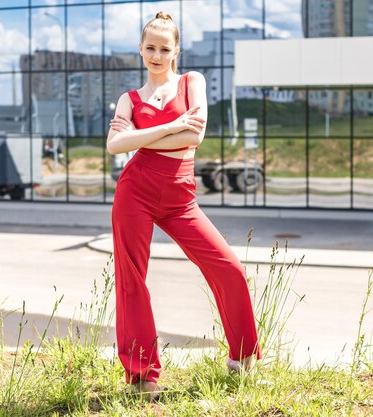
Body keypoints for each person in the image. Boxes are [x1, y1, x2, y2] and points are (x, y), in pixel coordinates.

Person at [106, 11, 261, 398]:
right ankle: (144, 376)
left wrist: (140, 136)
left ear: (176, 51)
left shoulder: (192, 83)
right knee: (131, 281)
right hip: (135, 192)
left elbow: (194, 138)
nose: (157, 55)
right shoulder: (129, 98)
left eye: (165, 48)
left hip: (181, 197)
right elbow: (113, 146)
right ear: (141, 50)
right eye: (150, 47)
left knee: (228, 267)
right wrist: (172, 127)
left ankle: (241, 359)